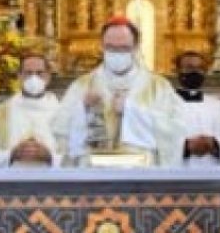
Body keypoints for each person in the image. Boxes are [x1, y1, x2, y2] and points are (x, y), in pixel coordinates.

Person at [54, 16, 184, 166]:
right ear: (101, 46)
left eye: (123, 48)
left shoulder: (159, 87)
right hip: (94, 173)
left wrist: (131, 111)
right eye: (110, 48)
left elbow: (175, 131)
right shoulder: (82, 86)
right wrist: (82, 110)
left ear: (136, 47)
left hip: (141, 174)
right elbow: (59, 133)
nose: (116, 53)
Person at [0, 51, 62, 168]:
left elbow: (79, 157)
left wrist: (50, 157)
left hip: (53, 184)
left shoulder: (63, 113)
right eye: (28, 73)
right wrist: (11, 155)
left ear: (48, 76)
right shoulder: (2, 113)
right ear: (19, 76)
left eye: (39, 73)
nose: (33, 78)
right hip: (10, 183)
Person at [174, 50, 220, 167]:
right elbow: (153, 144)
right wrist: (186, 147)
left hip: (214, 176)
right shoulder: (163, 107)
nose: (195, 72)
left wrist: (215, 144)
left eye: (199, 68)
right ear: (177, 71)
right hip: (175, 177)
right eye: (189, 68)